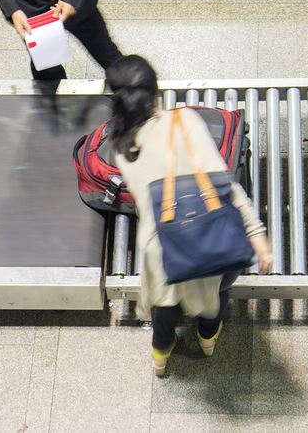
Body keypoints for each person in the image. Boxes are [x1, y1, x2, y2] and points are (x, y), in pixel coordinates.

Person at [106, 55, 273, 377]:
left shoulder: (121, 146)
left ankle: (160, 358)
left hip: (164, 246)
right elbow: (223, 185)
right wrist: (255, 232)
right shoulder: (185, 122)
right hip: (213, 237)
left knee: (165, 310)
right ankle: (207, 339)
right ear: (156, 91)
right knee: (217, 294)